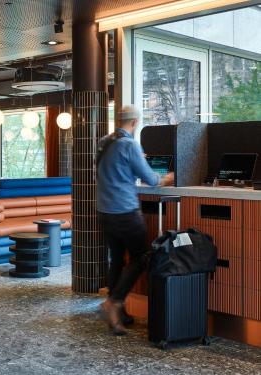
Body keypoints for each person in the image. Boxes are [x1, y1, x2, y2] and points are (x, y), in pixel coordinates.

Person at [97, 105, 174, 335]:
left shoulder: (104, 142)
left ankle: (116, 311)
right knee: (142, 256)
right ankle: (115, 301)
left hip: (105, 211)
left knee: (117, 259)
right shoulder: (130, 145)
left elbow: (111, 170)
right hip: (125, 211)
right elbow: (151, 179)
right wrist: (168, 177)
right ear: (135, 122)